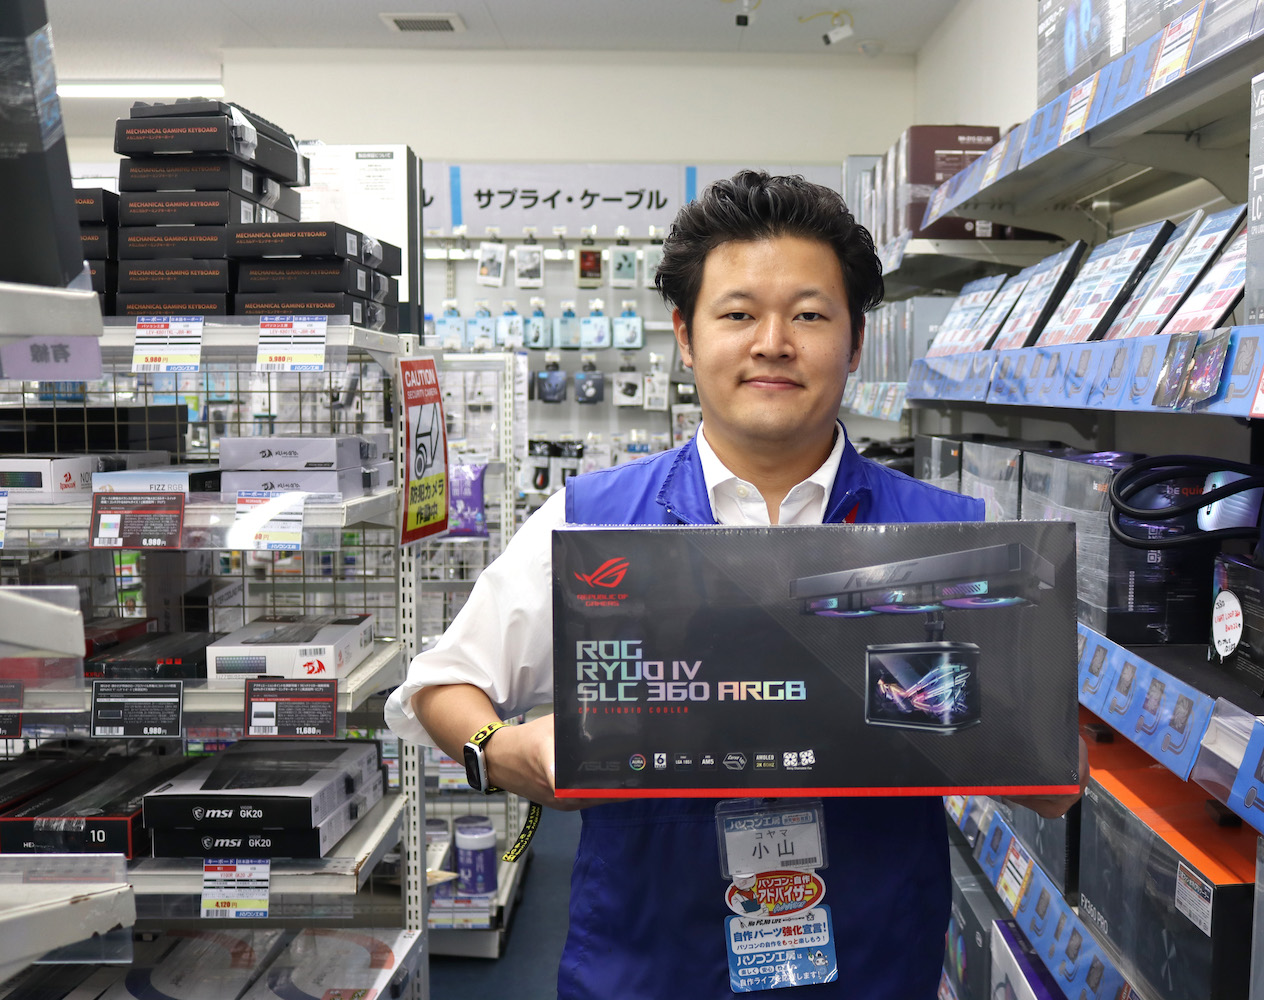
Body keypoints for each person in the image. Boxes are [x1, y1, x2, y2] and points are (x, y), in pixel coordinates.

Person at [385, 170, 1081, 998]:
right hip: (648, 967)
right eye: (739, 313)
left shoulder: (955, 539)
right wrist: (506, 752)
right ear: (686, 336)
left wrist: (1026, 749)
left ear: (856, 342)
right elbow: (441, 686)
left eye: (810, 315)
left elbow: (1050, 781)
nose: (773, 343)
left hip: (869, 963)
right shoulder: (594, 520)